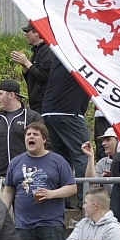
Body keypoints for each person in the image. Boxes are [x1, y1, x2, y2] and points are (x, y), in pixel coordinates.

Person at [40, 60, 90, 207]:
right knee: (84, 153)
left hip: (49, 111)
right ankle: (84, 200)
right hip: (68, 111)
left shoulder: (59, 55)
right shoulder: (76, 53)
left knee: (62, 158)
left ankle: (63, 199)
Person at [0, 79, 41, 183]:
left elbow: (44, 147)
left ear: (11, 95)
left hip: (26, 178)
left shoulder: (32, 117)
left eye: (0, 94)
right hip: (0, 180)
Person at [11, 22, 53, 114]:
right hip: (36, 103)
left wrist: (26, 62)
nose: (26, 34)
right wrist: (24, 65)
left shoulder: (47, 50)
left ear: (37, 33)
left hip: (43, 104)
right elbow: (31, 78)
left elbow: (44, 76)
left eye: (28, 31)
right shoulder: (37, 51)